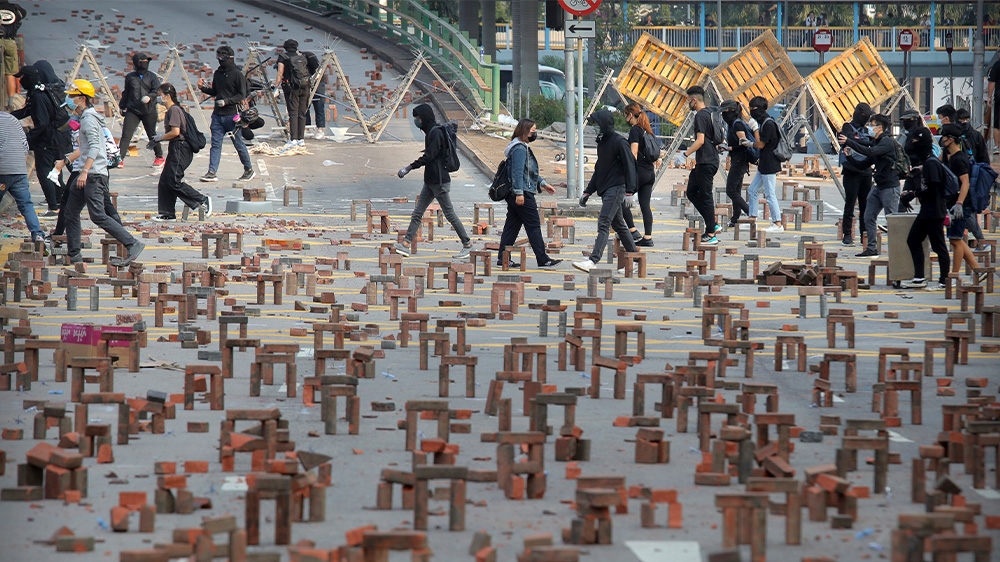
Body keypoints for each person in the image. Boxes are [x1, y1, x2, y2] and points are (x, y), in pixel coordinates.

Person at [62, 79, 144, 266]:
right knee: (71, 212)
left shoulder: (89, 119)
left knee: (98, 214)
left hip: (93, 174)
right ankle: (74, 255)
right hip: (88, 172)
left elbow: (94, 148)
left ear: (82, 98)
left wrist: (84, 172)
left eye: (72, 97)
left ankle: (133, 243)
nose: (69, 100)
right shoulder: (84, 117)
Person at [394, 103, 472, 259]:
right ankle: (406, 244)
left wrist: (409, 167)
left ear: (424, 118)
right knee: (417, 213)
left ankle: (467, 244)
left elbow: (429, 156)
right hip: (430, 181)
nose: (416, 121)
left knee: (450, 214)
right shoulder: (430, 132)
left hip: (439, 181)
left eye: (417, 118)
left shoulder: (435, 133)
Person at [572, 109, 639, 273]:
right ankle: (634, 261)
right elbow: (599, 169)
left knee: (604, 222)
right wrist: (588, 191)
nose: (595, 128)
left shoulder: (619, 142)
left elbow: (630, 165)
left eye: (597, 124)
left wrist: (630, 191)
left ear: (604, 125)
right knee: (619, 225)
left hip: (616, 189)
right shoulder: (602, 143)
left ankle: (593, 260)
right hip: (606, 188)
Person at [48, 105, 123, 238]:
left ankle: (124, 236)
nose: (69, 109)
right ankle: (122, 234)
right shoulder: (90, 119)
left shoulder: (85, 121)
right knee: (97, 205)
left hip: (85, 170)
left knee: (83, 208)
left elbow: (84, 149)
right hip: (95, 169)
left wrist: (66, 162)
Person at [498, 119, 561, 269]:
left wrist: (543, 184)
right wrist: (519, 193)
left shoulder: (517, 147)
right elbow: (518, 173)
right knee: (533, 225)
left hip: (518, 192)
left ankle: (503, 257)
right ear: (524, 131)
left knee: (512, 226)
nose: (535, 133)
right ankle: (543, 259)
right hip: (522, 194)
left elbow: (528, 172)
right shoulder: (519, 149)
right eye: (533, 130)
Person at [839, 113, 899, 259]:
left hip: (890, 188)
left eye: (872, 125)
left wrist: (849, 141)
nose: (869, 128)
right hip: (878, 187)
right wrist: (849, 157)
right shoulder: (877, 142)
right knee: (868, 216)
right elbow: (863, 164)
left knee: (892, 221)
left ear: (879, 127)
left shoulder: (886, 142)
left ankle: (898, 250)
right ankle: (871, 247)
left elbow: (869, 151)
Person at [10, 64, 66, 215]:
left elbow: (42, 123)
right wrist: (7, 116)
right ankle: (60, 201)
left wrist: (27, 138)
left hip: (47, 140)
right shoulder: (39, 93)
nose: (21, 81)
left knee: (44, 173)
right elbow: (27, 111)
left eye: (22, 78)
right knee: (54, 172)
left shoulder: (38, 97)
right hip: (55, 138)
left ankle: (54, 207)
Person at [152, 83, 212, 222]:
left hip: (181, 148)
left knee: (173, 180)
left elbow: (175, 132)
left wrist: (160, 137)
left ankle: (202, 200)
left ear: (167, 96)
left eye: (160, 95)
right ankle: (167, 213)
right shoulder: (172, 111)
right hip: (175, 147)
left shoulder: (174, 110)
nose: (159, 98)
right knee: (165, 180)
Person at [898, 136, 949, 290]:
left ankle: (944, 280)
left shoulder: (931, 164)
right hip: (926, 211)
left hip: (934, 212)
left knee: (939, 247)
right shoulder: (927, 163)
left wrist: (914, 194)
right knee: (913, 240)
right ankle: (919, 277)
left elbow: (933, 190)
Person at [197, 45, 254, 183]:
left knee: (238, 143)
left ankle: (249, 169)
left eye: (222, 57)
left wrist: (227, 101)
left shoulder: (237, 74)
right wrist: (203, 88)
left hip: (232, 115)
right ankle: (212, 172)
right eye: (219, 57)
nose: (220, 60)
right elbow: (216, 91)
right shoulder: (218, 73)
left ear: (229, 58)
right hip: (217, 116)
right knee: (215, 144)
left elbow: (242, 94)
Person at [939, 104, 990, 250]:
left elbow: (964, 180)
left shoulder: (957, 151)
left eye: (941, 119)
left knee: (962, 225)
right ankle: (980, 242)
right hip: (963, 184)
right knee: (957, 234)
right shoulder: (970, 135)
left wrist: (960, 202)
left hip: (960, 188)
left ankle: (980, 241)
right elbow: (984, 158)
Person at [940, 124, 984, 286]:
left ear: (950, 140)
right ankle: (978, 270)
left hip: (961, 205)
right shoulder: (949, 156)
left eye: (944, 137)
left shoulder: (959, 159)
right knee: (956, 240)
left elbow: (965, 183)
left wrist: (959, 203)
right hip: (954, 204)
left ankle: (954, 275)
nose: (942, 140)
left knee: (956, 240)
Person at [680, 85, 720, 245]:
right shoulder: (710, 112)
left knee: (705, 195)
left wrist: (685, 154)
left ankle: (711, 234)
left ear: (694, 100)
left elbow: (700, 140)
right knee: (691, 192)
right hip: (707, 160)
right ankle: (713, 224)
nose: (688, 103)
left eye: (688, 100)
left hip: (707, 161)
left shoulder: (700, 116)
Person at [0, 110, 45, 242]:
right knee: (26, 204)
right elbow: (25, 144)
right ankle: (37, 234)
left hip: (2, 171)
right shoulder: (12, 119)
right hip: (19, 169)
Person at [118, 52, 164, 168]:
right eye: (142, 61)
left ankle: (159, 157)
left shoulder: (152, 76)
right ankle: (120, 158)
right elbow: (126, 93)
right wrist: (122, 106)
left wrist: (150, 97)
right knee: (126, 135)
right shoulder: (130, 77)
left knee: (152, 134)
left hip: (149, 109)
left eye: (146, 62)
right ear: (136, 63)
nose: (145, 63)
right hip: (133, 109)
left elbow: (157, 89)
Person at [622, 103, 658, 247]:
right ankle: (648, 238)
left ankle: (632, 230)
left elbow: (634, 153)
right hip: (650, 173)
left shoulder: (635, 130)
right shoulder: (648, 130)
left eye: (625, 115)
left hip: (639, 173)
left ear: (631, 115)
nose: (625, 118)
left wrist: (629, 173)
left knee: (621, 200)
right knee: (645, 206)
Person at [747, 96, 784, 234]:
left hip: (770, 165)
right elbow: (758, 144)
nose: (751, 111)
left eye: (753, 109)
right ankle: (752, 219)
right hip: (764, 165)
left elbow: (761, 144)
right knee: (752, 190)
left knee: (770, 194)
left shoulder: (768, 124)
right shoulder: (764, 122)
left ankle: (777, 223)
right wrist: (750, 143)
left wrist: (755, 130)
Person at [839, 103, 875, 246]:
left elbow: (872, 144)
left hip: (866, 171)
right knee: (850, 203)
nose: (866, 119)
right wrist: (862, 143)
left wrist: (856, 142)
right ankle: (847, 234)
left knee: (865, 206)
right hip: (851, 171)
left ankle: (864, 234)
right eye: (865, 116)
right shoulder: (847, 127)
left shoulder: (867, 130)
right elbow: (845, 140)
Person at [720, 100, 753, 229]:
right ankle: (735, 218)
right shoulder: (732, 124)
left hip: (740, 160)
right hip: (737, 160)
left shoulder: (737, 124)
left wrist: (729, 148)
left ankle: (750, 212)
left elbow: (744, 143)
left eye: (724, 112)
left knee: (730, 190)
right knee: (736, 190)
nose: (723, 115)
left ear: (731, 112)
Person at [275, 39, 311, 150]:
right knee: (302, 113)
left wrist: (276, 86)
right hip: (305, 86)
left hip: (291, 88)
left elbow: (280, 73)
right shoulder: (301, 56)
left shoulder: (283, 57)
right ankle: (301, 139)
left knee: (293, 112)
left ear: (285, 47)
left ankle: (293, 139)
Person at [0, 1, 25, 99]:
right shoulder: (14, 8)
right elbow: (23, 14)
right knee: (10, 73)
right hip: (9, 41)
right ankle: (10, 102)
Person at [988, 55, 1000, 155]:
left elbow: (992, 82)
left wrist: (989, 97)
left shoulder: (997, 66)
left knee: (997, 123)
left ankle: (997, 146)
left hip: (999, 97)